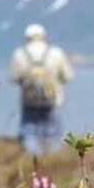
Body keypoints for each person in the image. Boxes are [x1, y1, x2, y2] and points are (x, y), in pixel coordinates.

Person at [8, 24, 74, 156]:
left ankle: (32, 159)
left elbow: (13, 78)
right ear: (44, 36)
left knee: (29, 129)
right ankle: (52, 159)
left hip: (29, 100)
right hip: (53, 99)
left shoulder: (19, 54)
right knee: (52, 130)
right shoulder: (56, 53)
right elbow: (68, 77)